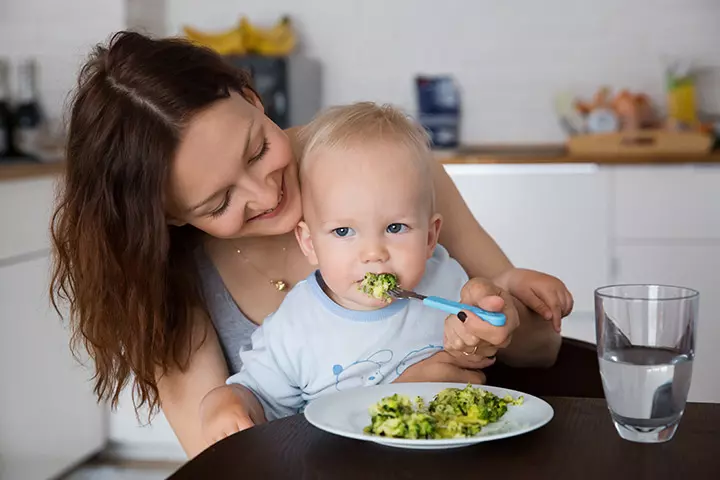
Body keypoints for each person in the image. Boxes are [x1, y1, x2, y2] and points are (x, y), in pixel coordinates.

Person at [50, 31, 570, 458]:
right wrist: (383, 404)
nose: (265, 193)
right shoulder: (168, 277)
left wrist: (492, 328)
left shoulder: (377, 165)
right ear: (169, 218)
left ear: (251, 98)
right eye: (219, 202)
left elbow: (543, 350)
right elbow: (226, 457)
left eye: (257, 149)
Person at [199, 102, 571, 443]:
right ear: (309, 243)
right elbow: (255, 394)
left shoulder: (446, 280)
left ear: (430, 237)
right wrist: (227, 401)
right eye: (343, 232)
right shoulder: (293, 327)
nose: (373, 253)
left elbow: (491, 318)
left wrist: (500, 297)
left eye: (395, 228)